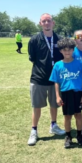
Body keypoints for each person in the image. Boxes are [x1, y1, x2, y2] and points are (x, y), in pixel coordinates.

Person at [27, 13, 65, 146]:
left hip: (55, 79)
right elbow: (32, 58)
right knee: (37, 106)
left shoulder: (60, 39)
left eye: (49, 21)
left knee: (54, 104)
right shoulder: (34, 40)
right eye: (44, 21)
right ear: (40, 23)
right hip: (38, 78)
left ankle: (53, 125)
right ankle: (34, 131)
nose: (47, 23)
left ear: (53, 23)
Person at [49, 38, 82, 147]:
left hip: (78, 93)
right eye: (65, 50)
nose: (67, 52)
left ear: (73, 50)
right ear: (61, 51)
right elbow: (56, 82)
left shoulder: (79, 63)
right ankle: (68, 136)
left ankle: (79, 135)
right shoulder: (58, 65)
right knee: (67, 116)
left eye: (70, 50)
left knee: (78, 115)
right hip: (65, 93)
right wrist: (58, 96)